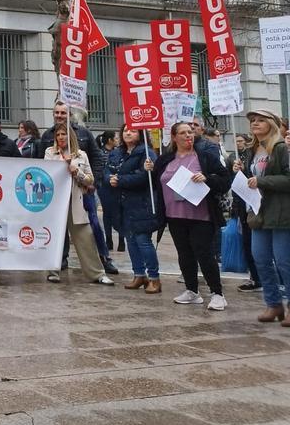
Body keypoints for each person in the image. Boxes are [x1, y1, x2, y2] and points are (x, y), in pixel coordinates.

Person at [154, 122, 230, 311]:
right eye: (183, 133)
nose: (188, 135)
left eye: (190, 132)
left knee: (204, 254)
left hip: (201, 215)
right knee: (184, 254)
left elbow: (224, 180)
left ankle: (217, 293)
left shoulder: (205, 156)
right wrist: (150, 169)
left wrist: (207, 178)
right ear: (174, 137)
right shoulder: (165, 159)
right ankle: (192, 291)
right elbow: (157, 182)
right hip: (174, 215)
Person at [238, 110, 290, 324]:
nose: (255, 124)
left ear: (272, 123)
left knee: (284, 261)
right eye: (252, 121)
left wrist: (262, 182)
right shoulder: (253, 149)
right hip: (258, 212)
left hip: (280, 212)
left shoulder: (280, 148)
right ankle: (273, 304)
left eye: (260, 120)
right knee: (260, 258)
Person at [45, 126, 113, 286]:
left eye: (64, 134)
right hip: (56, 203)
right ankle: (52, 271)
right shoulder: (50, 152)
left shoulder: (81, 155)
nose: (61, 137)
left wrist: (77, 172)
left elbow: (90, 180)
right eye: (58, 135)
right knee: (54, 237)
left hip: (76, 201)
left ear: (71, 137)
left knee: (86, 237)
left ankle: (97, 273)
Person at [109, 126, 161, 293]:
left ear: (141, 134)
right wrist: (109, 178)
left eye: (132, 131)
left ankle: (154, 278)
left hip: (142, 203)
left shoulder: (146, 152)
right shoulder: (118, 153)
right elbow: (107, 169)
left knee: (143, 241)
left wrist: (121, 180)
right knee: (130, 240)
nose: (128, 133)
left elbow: (144, 176)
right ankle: (139, 274)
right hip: (124, 204)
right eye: (125, 131)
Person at [228, 134, 262, 293]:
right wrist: (237, 171)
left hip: (264, 206)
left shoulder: (275, 150)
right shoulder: (245, 154)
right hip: (246, 206)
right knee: (249, 245)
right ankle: (256, 278)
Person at [97, 130, 123, 252]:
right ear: (110, 140)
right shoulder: (100, 153)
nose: (118, 140)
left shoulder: (120, 152)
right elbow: (100, 169)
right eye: (116, 138)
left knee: (120, 213)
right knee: (107, 214)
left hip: (119, 186)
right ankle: (109, 239)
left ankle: (122, 240)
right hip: (105, 187)